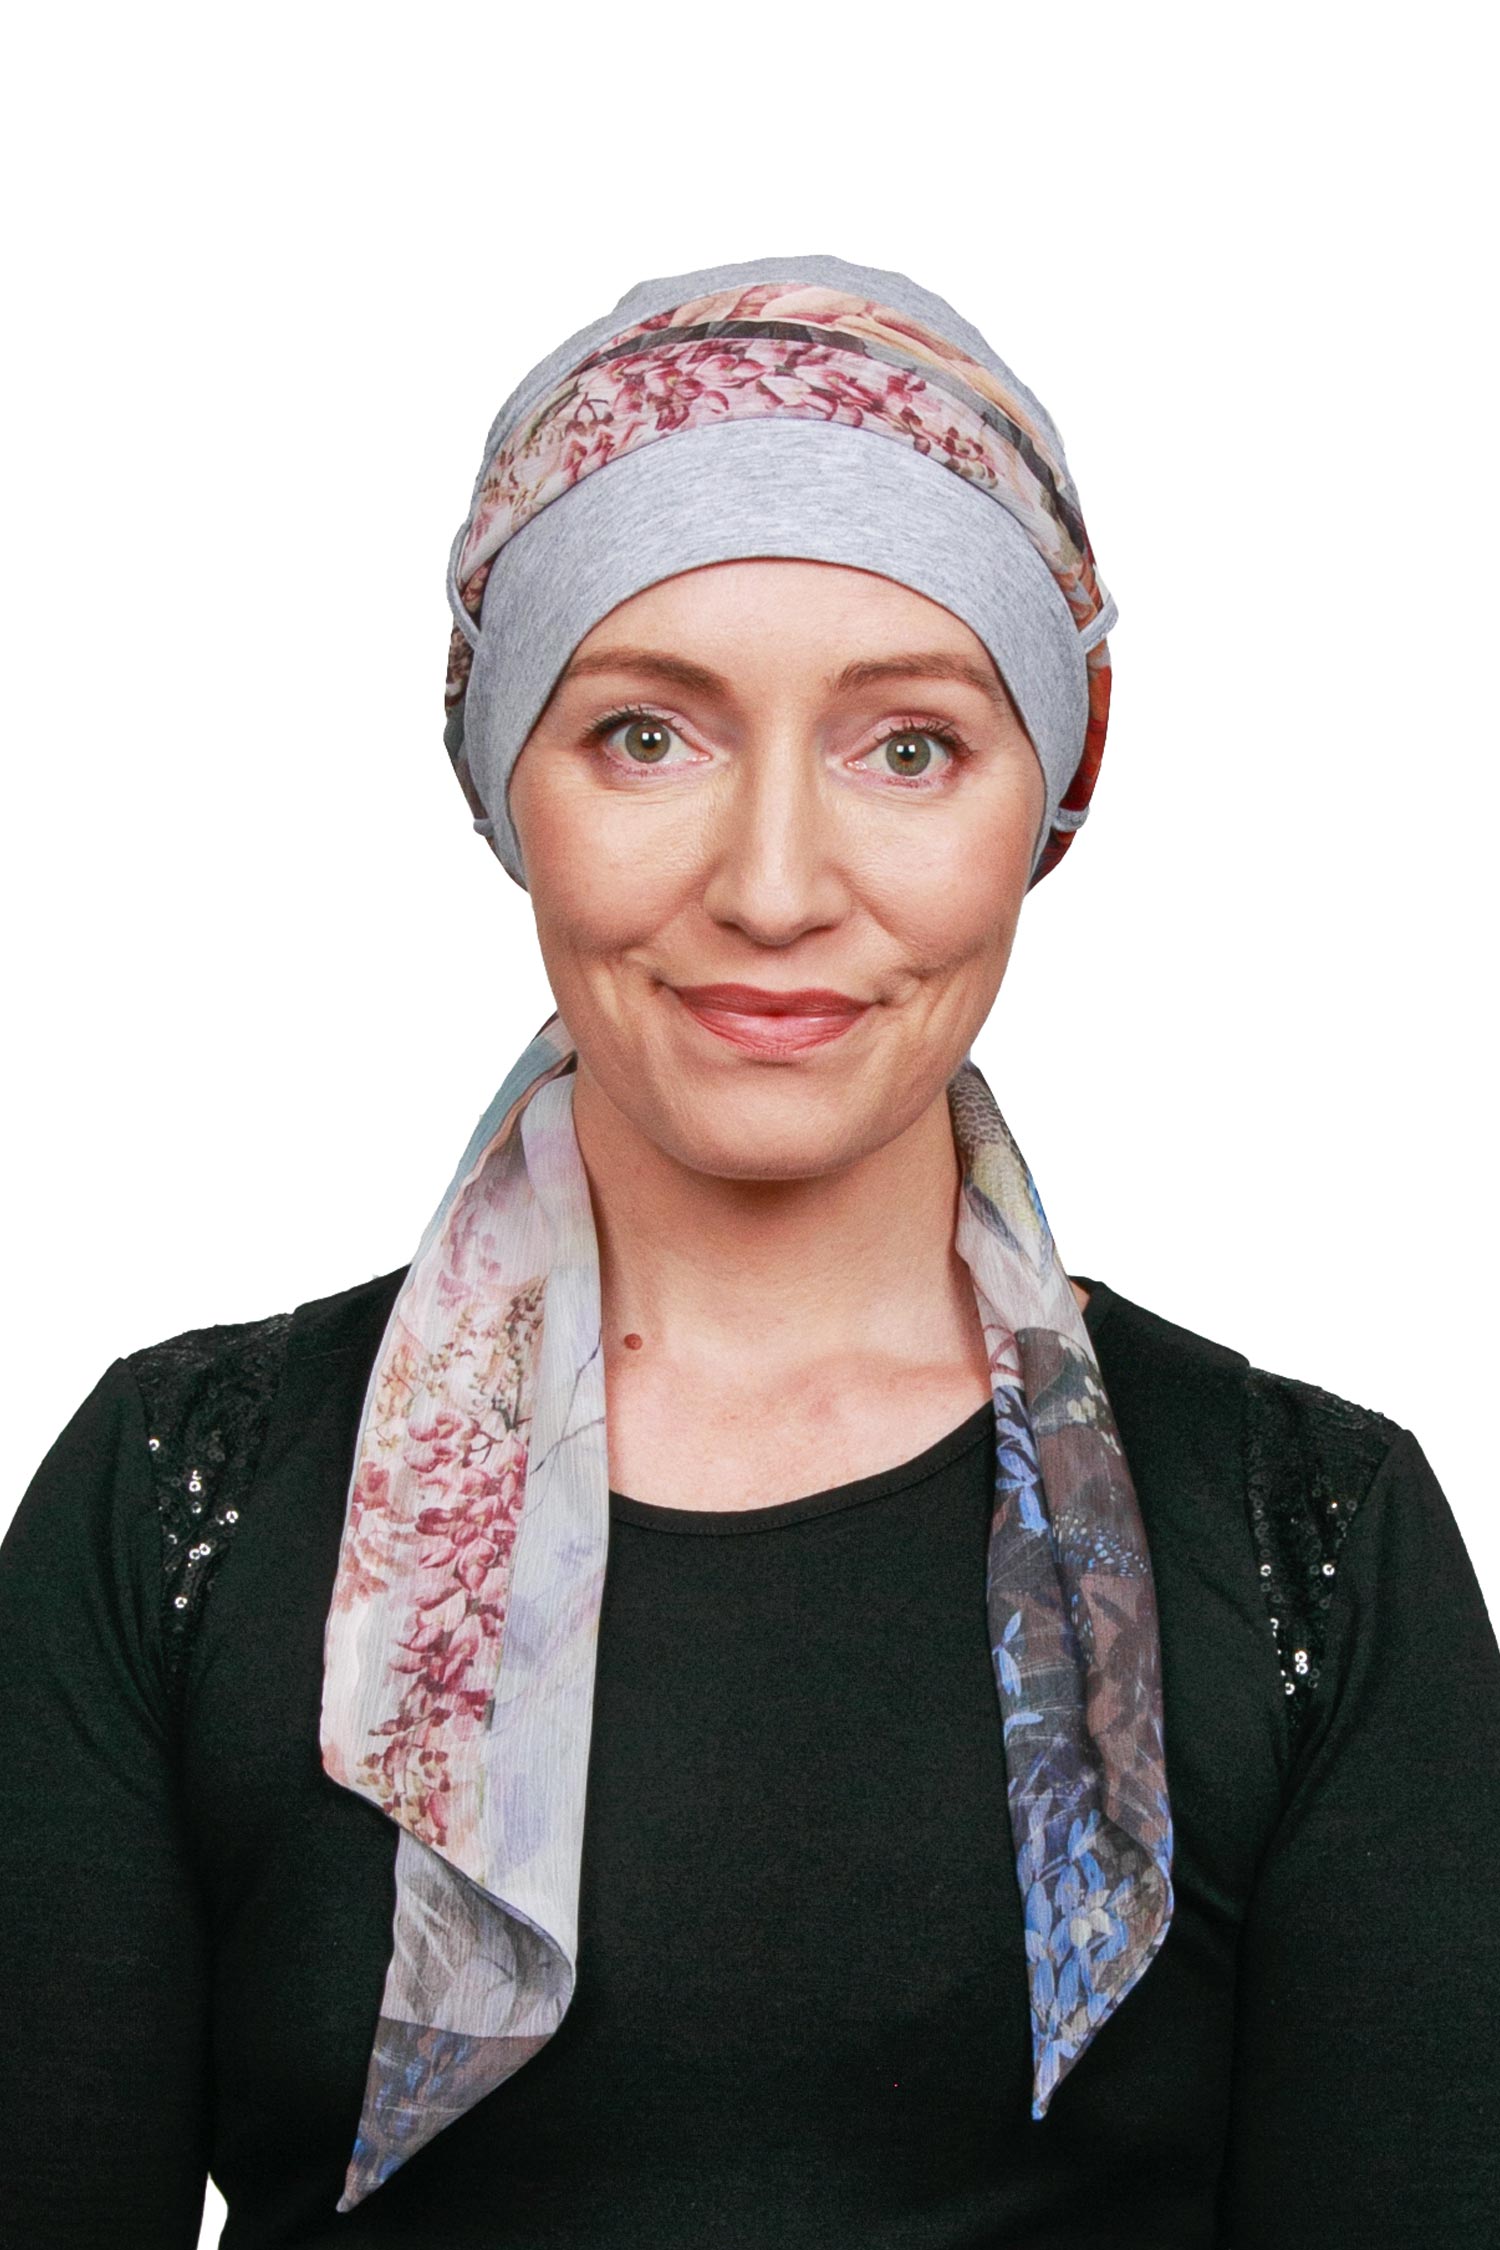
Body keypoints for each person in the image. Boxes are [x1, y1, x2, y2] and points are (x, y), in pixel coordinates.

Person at [2, 253, 1496, 2250]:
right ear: (501, 775)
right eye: (643, 736)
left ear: (1062, 778)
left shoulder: (1310, 1542)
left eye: (909, 749)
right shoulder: (178, 1505)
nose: (777, 887)